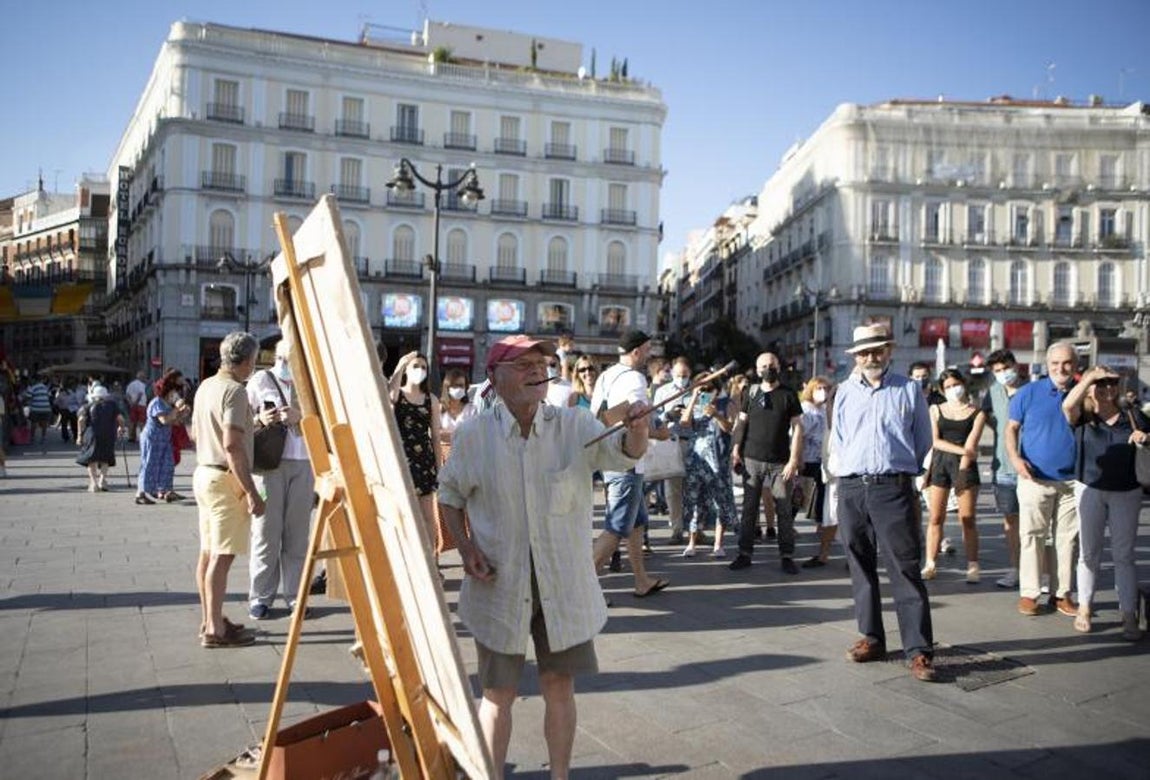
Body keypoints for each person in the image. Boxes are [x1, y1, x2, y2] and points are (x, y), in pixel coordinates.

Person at [437, 334, 649, 778]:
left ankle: (560, 775)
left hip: (562, 582)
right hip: (500, 582)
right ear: (494, 376)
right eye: (523, 363)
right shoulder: (474, 434)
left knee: (559, 685)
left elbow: (624, 455)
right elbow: (450, 497)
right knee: (498, 694)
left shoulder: (574, 424)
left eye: (541, 361)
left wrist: (637, 428)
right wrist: (467, 548)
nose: (537, 369)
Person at [830, 324, 937, 682]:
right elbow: (840, 438)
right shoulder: (844, 392)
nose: (871, 358)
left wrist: (900, 471)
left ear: (889, 351)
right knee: (859, 566)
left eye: (877, 350)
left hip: (893, 487)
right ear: (856, 357)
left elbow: (923, 440)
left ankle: (918, 649)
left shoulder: (909, 389)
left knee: (904, 568)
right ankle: (872, 637)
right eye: (864, 352)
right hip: (852, 488)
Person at [1062, 365, 1148, 640]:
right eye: (1101, 384)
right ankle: (1085, 606)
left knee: (1124, 555)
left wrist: (1144, 439)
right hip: (1090, 488)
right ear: (1089, 387)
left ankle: (1128, 614)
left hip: (1127, 490)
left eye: (1112, 383)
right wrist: (1088, 377)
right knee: (1089, 553)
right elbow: (1067, 405)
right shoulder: (1084, 416)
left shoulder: (1132, 415)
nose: (1107, 388)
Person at [190, 331, 263, 648]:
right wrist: (251, 491)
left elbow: (195, 432)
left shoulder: (207, 385)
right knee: (222, 558)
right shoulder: (235, 391)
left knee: (208, 555)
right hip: (224, 477)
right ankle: (215, 631)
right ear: (248, 360)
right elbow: (232, 444)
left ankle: (211, 619)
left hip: (203, 472)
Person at [589, 330, 668, 597]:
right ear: (636, 352)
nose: (649, 355)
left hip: (609, 457)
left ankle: (641, 580)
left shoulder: (606, 375)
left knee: (635, 524)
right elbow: (637, 422)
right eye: (647, 350)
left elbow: (600, 417)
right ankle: (580, 588)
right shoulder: (634, 378)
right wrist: (661, 432)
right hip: (626, 462)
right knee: (617, 527)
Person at [1006, 341, 1080, 618]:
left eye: (1067, 363)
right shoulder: (1028, 393)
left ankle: (1062, 594)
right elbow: (1011, 430)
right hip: (1034, 479)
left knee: (1067, 540)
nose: (1061, 368)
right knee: (1032, 537)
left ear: (1076, 365)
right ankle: (1029, 592)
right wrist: (1015, 459)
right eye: (1055, 364)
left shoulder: (1083, 394)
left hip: (1073, 481)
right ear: (1047, 365)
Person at [246, 340, 312, 620]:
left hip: (305, 462)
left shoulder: (310, 383)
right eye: (284, 357)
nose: (288, 363)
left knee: (297, 535)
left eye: (293, 358)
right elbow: (242, 419)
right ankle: (261, 596)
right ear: (277, 356)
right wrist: (261, 418)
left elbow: (325, 419)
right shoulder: (260, 379)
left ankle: (295, 597)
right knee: (265, 532)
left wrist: (301, 417)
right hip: (268, 465)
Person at [729, 352, 803, 574]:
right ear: (757, 368)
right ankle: (744, 554)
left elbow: (798, 429)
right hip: (751, 459)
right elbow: (741, 424)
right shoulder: (750, 392)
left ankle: (787, 556)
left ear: (778, 366)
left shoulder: (788, 394)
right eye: (763, 365)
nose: (768, 369)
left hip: (780, 462)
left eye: (772, 365)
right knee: (749, 510)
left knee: (784, 511)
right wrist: (735, 449)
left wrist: (793, 460)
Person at [922, 369, 986, 584]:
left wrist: (963, 467)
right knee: (935, 517)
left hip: (965, 467)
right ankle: (930, 562)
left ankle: (973, 565)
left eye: (955, 384)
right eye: (947, 387)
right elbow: (935, 441)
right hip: (940, 464)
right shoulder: (936, 410)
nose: (953, 389)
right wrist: (963, 451)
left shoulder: (977, 413)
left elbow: (972, 443)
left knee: (967, 519)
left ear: (964, 384)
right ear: (942, 389)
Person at [676, 374, 737, 557]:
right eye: (702, 388)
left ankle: (718, 544)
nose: (705, 392)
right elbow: (684, 423)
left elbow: (731, 428)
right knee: (694, 501)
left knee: (720, 501)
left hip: (718, 460)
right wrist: (694, 396)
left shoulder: (726, 404)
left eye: (708, 389)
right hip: (696, 460)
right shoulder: (692, 403)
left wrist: (717, 415)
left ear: (717, 389)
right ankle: (691, 543)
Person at [390, 351, 443, 557]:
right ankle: (404, 556)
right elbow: (389, 396)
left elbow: (436, 437)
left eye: (423, 367)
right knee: (403, 512)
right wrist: (401, 364)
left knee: (427, 513)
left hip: (424, 461)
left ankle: (430, 558)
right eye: (415, 366)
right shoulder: (399, 395)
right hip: (401, 459)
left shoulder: (431, 400)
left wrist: (439, 469)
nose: (419, 370)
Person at [982, 350, 1024, 588]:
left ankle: (1044, 573)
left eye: (1005, 368)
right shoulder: (992, 392)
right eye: (997, 371)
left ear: (1015, 366)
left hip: (1031, 467)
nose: (1002, 374)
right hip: (1003, 468)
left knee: (1038, 524)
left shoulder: (1030, 390)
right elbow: (987, 418)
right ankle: (1016, 569)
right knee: (1011, 522)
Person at [653, 357, 692, 544]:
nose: (681, 379)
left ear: (689, 374)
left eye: (684, 375)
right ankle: (677, 529)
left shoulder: (699, 390)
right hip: (671, 443)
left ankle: (695, 530)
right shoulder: (662, 392)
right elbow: (654, 419)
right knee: (672, 490)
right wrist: (669, 415)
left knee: (694, 490)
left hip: (693, 444)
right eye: (677, 375)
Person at [798, 376, 837, 568]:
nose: (823, 391)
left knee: (823, 499)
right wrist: (797, 458)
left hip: (826, 461)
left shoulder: (826, 409)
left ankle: (822, 529)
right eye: (819, 388)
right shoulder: (806, 409)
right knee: (801, 495)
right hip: (808, 459)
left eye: (826, 388)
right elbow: (799, 435)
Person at [136, 371, 189, 504]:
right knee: (149, 464)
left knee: (168, 464)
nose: (175, 396)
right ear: (167, 392)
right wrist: (177, 410)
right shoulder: (157, 402)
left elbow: (175, 422)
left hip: (164, 439)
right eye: (173, 394)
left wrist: (183, 413)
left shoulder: (168, 405)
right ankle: (141, 493)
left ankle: (165, 490)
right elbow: (164, 420)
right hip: (152, 438)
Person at [75, 385, 125, 492]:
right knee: (105, 458)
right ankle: (102, 480)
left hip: (92, 435)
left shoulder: (87, 406)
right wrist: (121, 428)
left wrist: (79, 435)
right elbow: (120, 418)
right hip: (108, 435)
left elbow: (81, 420)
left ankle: (93, 483)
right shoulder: (112, 405)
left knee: (91, 459)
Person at [439, 367, 478, 443]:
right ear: (447, 387)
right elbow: (435, 434)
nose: (458, 388)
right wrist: (462, 434)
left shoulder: (472, 410)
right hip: (443, 453)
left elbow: (475, 435)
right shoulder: (439, 409)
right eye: (455, 385)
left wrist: (447, 435)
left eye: (461, 386)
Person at [20, 376, 53, 450]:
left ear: (35, 380)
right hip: (46, 408)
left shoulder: (33, 388)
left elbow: (28, 397)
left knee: (34, 423)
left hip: (36, 408)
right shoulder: (45, 387)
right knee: (44, 423)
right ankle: (43, 437)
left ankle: (32, 438)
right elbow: (50, 396)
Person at [125, 370, 148, 443]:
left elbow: (127, 395)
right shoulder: (141, 384)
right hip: (141, 405)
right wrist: (136, 402)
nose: (145, 378)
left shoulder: (131, 384)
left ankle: (131, 437)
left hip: (132, 405)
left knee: (132, 421)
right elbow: (140, 394)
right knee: (142, 421)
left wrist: (131, 403)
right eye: (144, 377)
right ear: (141, 377)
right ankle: (143, 436)